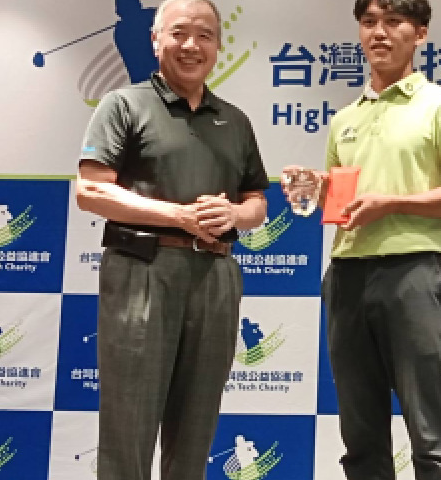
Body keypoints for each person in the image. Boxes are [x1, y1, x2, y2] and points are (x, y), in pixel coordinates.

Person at [281, 1, 441, 478]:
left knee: (432, 439)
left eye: (393, 21)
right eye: (369, 22)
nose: (379, 32)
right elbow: (346, 203)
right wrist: (319, 186)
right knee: (361, 442)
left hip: (412, 274)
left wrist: (392, 203)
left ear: (420, 33)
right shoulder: (345, 118)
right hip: (346, 277)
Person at [75, 1, 269, 478]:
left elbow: (257, 203)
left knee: (196, 426)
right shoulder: (124, 104)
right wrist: (178, 216)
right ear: (156, 40)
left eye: (204, 35)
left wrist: (234, 214)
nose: (191, 45)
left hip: (215, 275)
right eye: (179, 33)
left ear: (217, 46)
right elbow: (91, 191)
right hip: (143, 270)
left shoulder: (234, 119)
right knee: (129, 424)